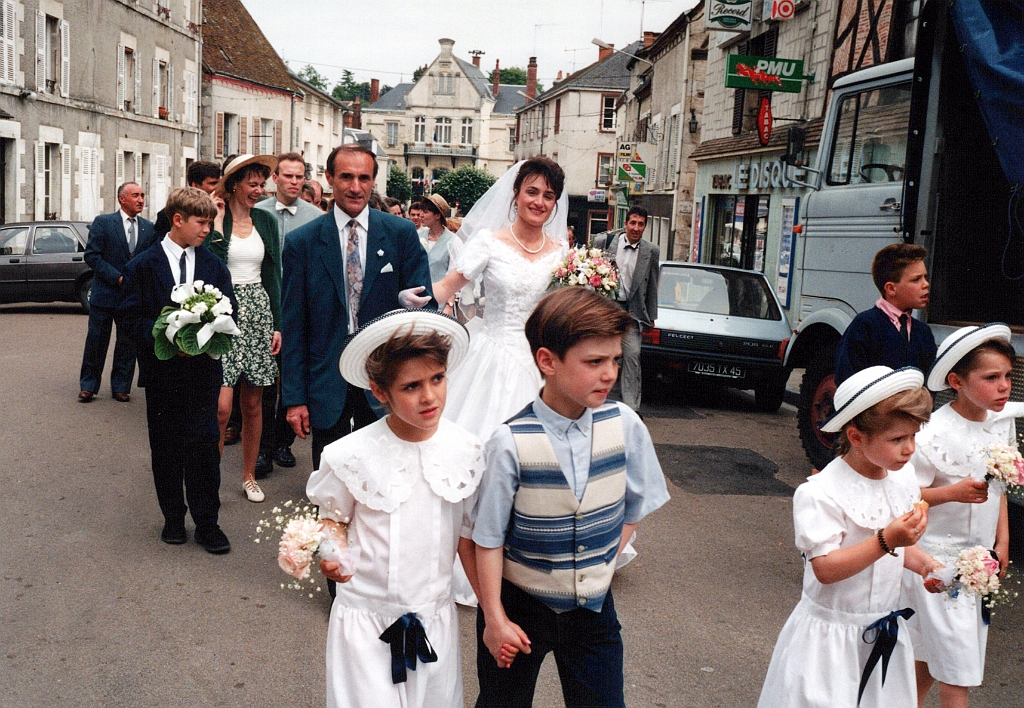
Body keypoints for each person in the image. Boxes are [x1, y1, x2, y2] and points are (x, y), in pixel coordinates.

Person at [472, 287, 670, 708]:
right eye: (594, 362)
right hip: (519, 607)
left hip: (594, 613)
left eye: (615, 360)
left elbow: (633, 507)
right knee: (502, 702)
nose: (609, 374)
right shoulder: (508, 442)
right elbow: (486, 539)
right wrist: (494, 619)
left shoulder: (626, 425)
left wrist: (600, 565)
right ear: (548, 361)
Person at [308, 309, 483, 708]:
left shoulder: (467, 450)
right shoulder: (349, 454)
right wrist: (331, 553)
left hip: (433, 619)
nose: (429, 396)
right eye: (411, 386)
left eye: (437, 379)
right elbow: (332, 519)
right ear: (379, 392)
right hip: (365, 621)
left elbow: (468, 538)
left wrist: (494, 607)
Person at [757, 365, 943, 708]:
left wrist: (928, 566)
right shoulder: (821, 493)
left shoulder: (902, 480)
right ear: (856, 437)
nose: (910, 449)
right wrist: (886, 539)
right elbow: (825, 569)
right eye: (897, 439)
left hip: (882, 633)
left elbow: (902, 550)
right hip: (829, 641)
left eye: (913, 436)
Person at [281, 143, 435, 474]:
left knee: (384, 479)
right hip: (327, 380)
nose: (355, 187)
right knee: (330, 483)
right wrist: (294, 399)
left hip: (385, 379)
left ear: (373, 180)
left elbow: (427, 308)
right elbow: (294, 326)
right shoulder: (303, 243)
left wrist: (406, 306)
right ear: (329, 178)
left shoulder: (401, 234)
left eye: (364, 178)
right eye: (346, 177)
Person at [903, 325, 1022, 708]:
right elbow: (902, 498)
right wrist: (950, 493)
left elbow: (999, 488)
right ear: (956, 381)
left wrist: (1001, 541)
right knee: (958, 668)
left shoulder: (1001, 423)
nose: (1004, 386)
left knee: (927, 660)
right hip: (936, 563)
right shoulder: (931, 433)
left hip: (978, 560)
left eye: (1008, 376)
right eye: (991, 378)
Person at [121, 187, 234, 553]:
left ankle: (208, 522)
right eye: (201, 222)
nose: (206, 230)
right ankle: (173, 517)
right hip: (163, 374)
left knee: (204, 445)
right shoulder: (143, 265)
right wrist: (166, 341)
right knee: (166, 445)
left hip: (203, 374)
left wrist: (207, 334)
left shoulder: (214, 265)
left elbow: (228, 309)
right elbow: (129, 317)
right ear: (178, 220)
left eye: (210, 222)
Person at [432, 156, 569, 438]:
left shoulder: (562, 253)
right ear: (516, 193)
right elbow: (444, 288)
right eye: (531, 192)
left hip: (543, 362)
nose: (539, 202)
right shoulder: (489, 242)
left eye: (548, 195)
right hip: (492, 358)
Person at [205, 154, 282, 504]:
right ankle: (211, 474)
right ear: (235, 183)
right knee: (221, 408)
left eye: (261, 184)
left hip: (258, 312)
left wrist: (277, 326)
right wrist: (218, 222)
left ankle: (249, 476)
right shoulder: (214, 220)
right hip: (223, 312)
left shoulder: (265, 221)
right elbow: (211, 267)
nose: (258, 190)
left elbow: (273, 275)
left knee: (254, 404)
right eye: (252, 183)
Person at [254, 152, 323, 473]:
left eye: (300, 177)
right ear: (275, 179)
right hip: (264, 311)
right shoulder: (256, 213)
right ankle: (263, 448)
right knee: (266, 383)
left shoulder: (316, 217)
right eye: (289, 176)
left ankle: (284, 442)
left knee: (294, 380)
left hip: (302, 313)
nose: (295, 182)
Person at [78, 182, 156, 403]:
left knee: (127, 343)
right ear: (122, 199)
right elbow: (92, 256)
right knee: (96, 341)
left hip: (131, 298)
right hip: (105, 294)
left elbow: (149, 259)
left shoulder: (148, 228)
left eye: (142, 195)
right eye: (135, 195)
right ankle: (88, 386)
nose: (141, 199)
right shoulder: (104, 223)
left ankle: (121, 387)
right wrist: (117, 277)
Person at [835, 244, 937, 385]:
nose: (925, 284)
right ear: (890, 288)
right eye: (916, 279)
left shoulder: (923, 332)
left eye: (925, 277)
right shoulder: (865, 325)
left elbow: (929, 384)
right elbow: (847, 378)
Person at [592, 206, 660, 412]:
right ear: (625, 224)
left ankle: (631, 409)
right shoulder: (605, 243)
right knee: (602, 354)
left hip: (633, 311)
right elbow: (591, 275)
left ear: (645, 226)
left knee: (632, 355)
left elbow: (653, 285)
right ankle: (595, 403)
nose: (636, 228)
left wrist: (651, 316)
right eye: (633, 223)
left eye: (640, 224)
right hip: (608, 308)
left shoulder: (651, 251)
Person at [154, 161, 222, 240]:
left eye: (219, 183)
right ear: (195, 185)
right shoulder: (169, 213)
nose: (217, 188)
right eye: (212, 183)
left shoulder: (223, 209)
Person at [418, 193, 458, 284]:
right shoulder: (418, 236)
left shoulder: (452, 241)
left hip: (440, 294)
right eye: (421, 211)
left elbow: (454, 275)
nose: (421, 215)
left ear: (437, 215)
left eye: (425, 212)